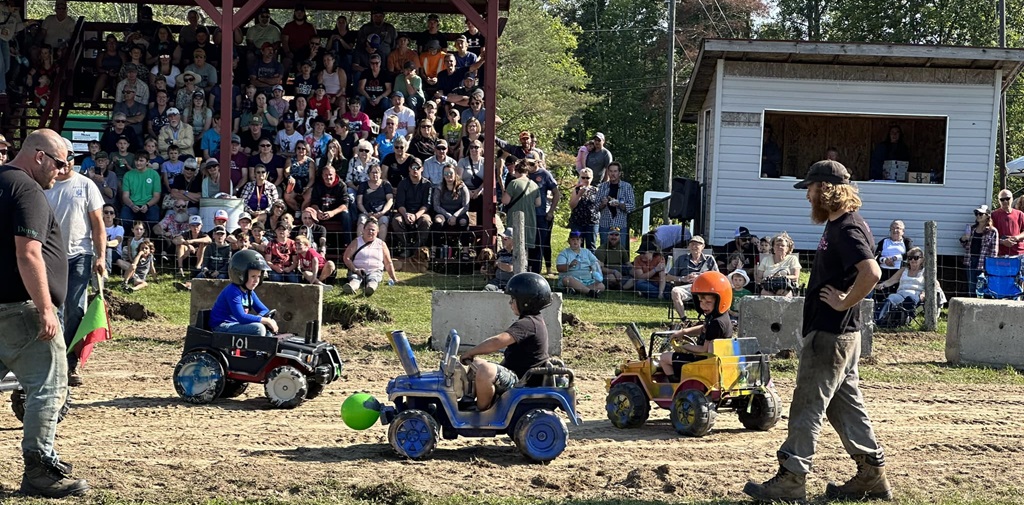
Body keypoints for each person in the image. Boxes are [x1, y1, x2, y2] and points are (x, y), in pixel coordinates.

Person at [744, 160, 891, 503]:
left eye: (810, 188)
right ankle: (872, 475)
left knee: (807, 404)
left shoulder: (848, 228)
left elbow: (871, 272)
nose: (807, 195)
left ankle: (792, 478)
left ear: (826, 189)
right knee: (845, 406)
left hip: (831, 335)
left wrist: (844, 302)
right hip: (840, 336)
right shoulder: (839, 224)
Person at [0, 129, 90, 497]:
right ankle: (40, 471)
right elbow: (29, 252)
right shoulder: (26, 190)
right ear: (38, 156)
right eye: (59, 162)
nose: (62, 170)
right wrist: (45, 308)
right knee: (48, 389)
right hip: (23, 312)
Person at [44, 140, 106, 387]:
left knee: (75, 309)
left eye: (69, 159)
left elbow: (98, 224)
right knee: (53, 310)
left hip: (80, 254)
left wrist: (100, 256)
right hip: (51, 255)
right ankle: (54, 361)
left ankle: (71, 363)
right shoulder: (44, 186)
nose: (65, 164)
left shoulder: (86, 185)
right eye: (61, 159)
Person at [459, 272, 551, 410]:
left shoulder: (528, 324)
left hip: (522, 381)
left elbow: (497, 342)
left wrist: (471, 352)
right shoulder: (533, 321)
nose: (510, 303)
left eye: (512, 299)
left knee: (485, 370)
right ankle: (467, 401)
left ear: (525, 301)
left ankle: (483, 412)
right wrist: (473, 356)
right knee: (477, 363)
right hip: (517, 374)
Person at [657, 271, 733, 379]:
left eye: (708, 302)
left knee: (664, 358)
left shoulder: (716, 323)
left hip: (703, 361)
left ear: (720, 301)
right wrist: (684, 332)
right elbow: (704, 328)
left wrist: (685, 347)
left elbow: (703, 350)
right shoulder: (719, 316)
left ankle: (675, 384)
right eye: (701, 301)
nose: (703, 306)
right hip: (711, 359)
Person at [209, 249, 278, 336]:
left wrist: (263, 319)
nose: (256, 280)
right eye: (253, 276)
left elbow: (264, 310)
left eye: (259, 276)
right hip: (222, 326)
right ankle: (253, 350)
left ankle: (264, 350)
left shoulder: (249, 292)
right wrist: (265, 320)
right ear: (240, 276)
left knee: (267, 328)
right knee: (258, 328)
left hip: (236, 324)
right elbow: (241, 317)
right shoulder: (233, 291)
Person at [874, 246, 945, 326]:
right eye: (910, 258)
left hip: (915, 296)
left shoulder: (925, 272)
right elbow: (891, 281)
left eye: (916, 258)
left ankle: (901, 321)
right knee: (890, 298)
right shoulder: (903, 270)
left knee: (909, 300)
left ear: (922, 259)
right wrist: (881, 285)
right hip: (900, 294)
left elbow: (936, 284)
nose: (912, 260)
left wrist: (924, 293)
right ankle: (877, 321)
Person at [666, 236, 719, 320]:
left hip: (705, 288)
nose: (694, 246)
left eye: (697, 244)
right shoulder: (681, 259)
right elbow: (668, 277)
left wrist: (700, 278)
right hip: (687, 288)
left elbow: (717, 277)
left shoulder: (709, 259)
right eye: (692, 244)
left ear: (703, 247)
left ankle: (711, 319)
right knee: (675, 291)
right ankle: (684, 319)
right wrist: (682, 279)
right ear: (689, 246)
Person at [342, 217, 398, 296]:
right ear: (363, 230)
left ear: (377, 231)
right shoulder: (356, 241)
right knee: (355, 279)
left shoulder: (381, 244)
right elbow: (346, 257)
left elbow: (388, 262)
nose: (370, 232)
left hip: (375, 271)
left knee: (373, 280)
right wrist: (355, 269)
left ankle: (370, 289)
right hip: (357, 270)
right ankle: (351, 287)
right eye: (368, 229)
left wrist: (394, 278)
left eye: (373, 230)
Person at [959, 204, 998, 296]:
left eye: (981, 214)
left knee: (983, 285)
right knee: (971, 286)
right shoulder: (971, 229)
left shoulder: (992, 231)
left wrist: (990, 265)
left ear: (987, 216)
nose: (978, 216)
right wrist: (964, 238)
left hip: (984, 262)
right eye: (976, 213)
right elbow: (965, 245)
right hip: (970, 260)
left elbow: (994, 251)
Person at [596, 162, 635, 247]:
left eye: (615, 171)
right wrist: (603, 204)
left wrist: (619, 205)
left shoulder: (627, 187)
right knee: (604, 251)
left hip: (620, 226)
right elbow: (595, 207)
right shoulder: (602, 186)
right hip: (605, 225)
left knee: (620, 252)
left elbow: (632, 206)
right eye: (610, 171)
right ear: (608, 172)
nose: (612, 174)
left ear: (619, 173)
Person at [556, 230, 604, 298]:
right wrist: (570, 265)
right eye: (573, 239)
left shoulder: (587, 252)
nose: (575, 242)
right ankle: (590, 292)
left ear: (581, 241)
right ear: (569, 241)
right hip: (572, 279)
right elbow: (559, 268)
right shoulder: (564, 253)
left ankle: (578, 290)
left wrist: (595, 265)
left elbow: (598, 262)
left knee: (601, 286)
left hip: (587, 280)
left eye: (577, 239)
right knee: (567, 280)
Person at [755, 232, 801, 297]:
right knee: (766, 293)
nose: (779, 247)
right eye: (777, 245)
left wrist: (781, 277)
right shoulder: (766, 259)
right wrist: (766, 280)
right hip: (768, 287)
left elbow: (796, 276)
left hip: (786, 287)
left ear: (787, 248)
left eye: (782, 245)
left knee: (783, 294)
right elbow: (758, 278)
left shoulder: (793, 259)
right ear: (773, 247)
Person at [874, 219, 912, 294]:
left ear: (903, 231)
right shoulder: (884, 241)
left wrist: (895, 258)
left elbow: (910, 254)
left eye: (897, 228)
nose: (895, 230)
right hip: (883, 270)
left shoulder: (906, 242)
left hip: (899, 271)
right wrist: (885, 260)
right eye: (892, 228)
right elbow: (876, 256)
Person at [568, 168, 600, 250]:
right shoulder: (576, 189)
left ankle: (591, 263)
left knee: (591, 246)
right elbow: (572, 206)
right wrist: (579, 195)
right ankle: (578, 262)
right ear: (579, 178)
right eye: (583, 177)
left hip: (592, 223)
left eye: (588, 178)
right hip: (577, 223)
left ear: (592, 178)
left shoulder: (596, 190)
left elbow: (599, 207)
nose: (585, 180)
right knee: (577, 245)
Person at [991, 188, 1024, 257]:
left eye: (1007, 198)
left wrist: (1017, 237)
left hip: (1019, 253)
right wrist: (1002, 242)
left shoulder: (1020, 214)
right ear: (999, 201)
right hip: (1001, 254)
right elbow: (989, 236)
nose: (1005, 201)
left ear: (1012, 198)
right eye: (1002, 199)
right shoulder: (993, 215)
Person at [483, 227, 515, 292]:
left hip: (512, 283)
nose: (502, 241)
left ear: (513, 240)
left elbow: (511, 268)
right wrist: (486, 269)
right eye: (502, 238)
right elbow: (494, 267)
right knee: (487, 289)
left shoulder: (518, 253)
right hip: (497, 282)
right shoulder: (500, 253)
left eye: (505, 239)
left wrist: (498, 264)